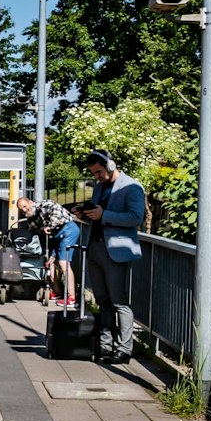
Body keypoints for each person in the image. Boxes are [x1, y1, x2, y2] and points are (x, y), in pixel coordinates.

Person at [80, 150, 145, 363]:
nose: (96, 176)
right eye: (93, 172)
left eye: (98, 171)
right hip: (96, 248)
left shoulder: (132, 187)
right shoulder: (100, 187)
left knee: (119, 302)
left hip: (115, 251)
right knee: (103, 301)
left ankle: (124, 349)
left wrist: (103, 215)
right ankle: (105, 346)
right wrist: (85, 214)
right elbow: (97, 216)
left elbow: (136, 218)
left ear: (110, 166)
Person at [16, 195, 79, 308]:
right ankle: (57, 292)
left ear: (30, 202)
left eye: (25, 206)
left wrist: (50, 226)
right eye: (21, 209)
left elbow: (57, 212)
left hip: (68, 230)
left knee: (64, 263)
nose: (24, 210)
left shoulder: (43, 205)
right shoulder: (31, 221)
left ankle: (72, 297)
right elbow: (37, 232)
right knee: (49, 263)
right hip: (56, 237)